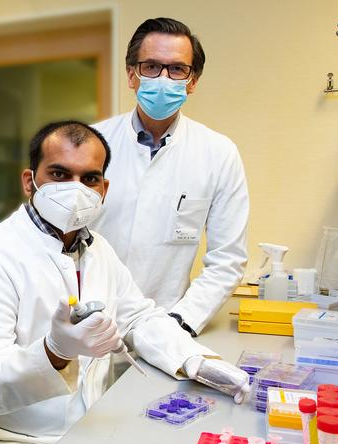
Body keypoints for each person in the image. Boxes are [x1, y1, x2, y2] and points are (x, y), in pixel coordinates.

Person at [0, 121, 249, 444]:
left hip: (77, 435)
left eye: (89, 178)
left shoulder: (96, 251)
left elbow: (139, 317)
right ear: (31, 181)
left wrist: (196, 361)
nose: (75, 188)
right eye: (59, 174)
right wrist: (54, 352)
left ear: (103, 189)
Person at [92, 17, 249, 336]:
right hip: (90, 320)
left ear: (192, 81)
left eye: (177, 69)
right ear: (131, 74)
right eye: (151, 66)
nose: (163, 78)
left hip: (166, 324)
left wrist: (179, 322)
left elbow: (227, 259)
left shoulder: (219, 153)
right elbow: (60, 237)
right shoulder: (92, 143)